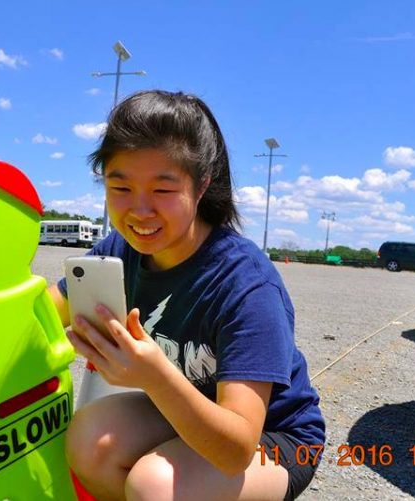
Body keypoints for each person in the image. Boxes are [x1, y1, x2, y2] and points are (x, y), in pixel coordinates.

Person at [48, 90, 325, 501]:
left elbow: (235, 450)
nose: (139, 211)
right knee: (90, 438)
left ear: (201, 187)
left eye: (162, 191)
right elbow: (44, 311)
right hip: (180, 412)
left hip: (273, 439)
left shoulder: (245, 284)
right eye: (120, 187)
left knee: (154, 484)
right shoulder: (119, 252)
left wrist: (154, 376)